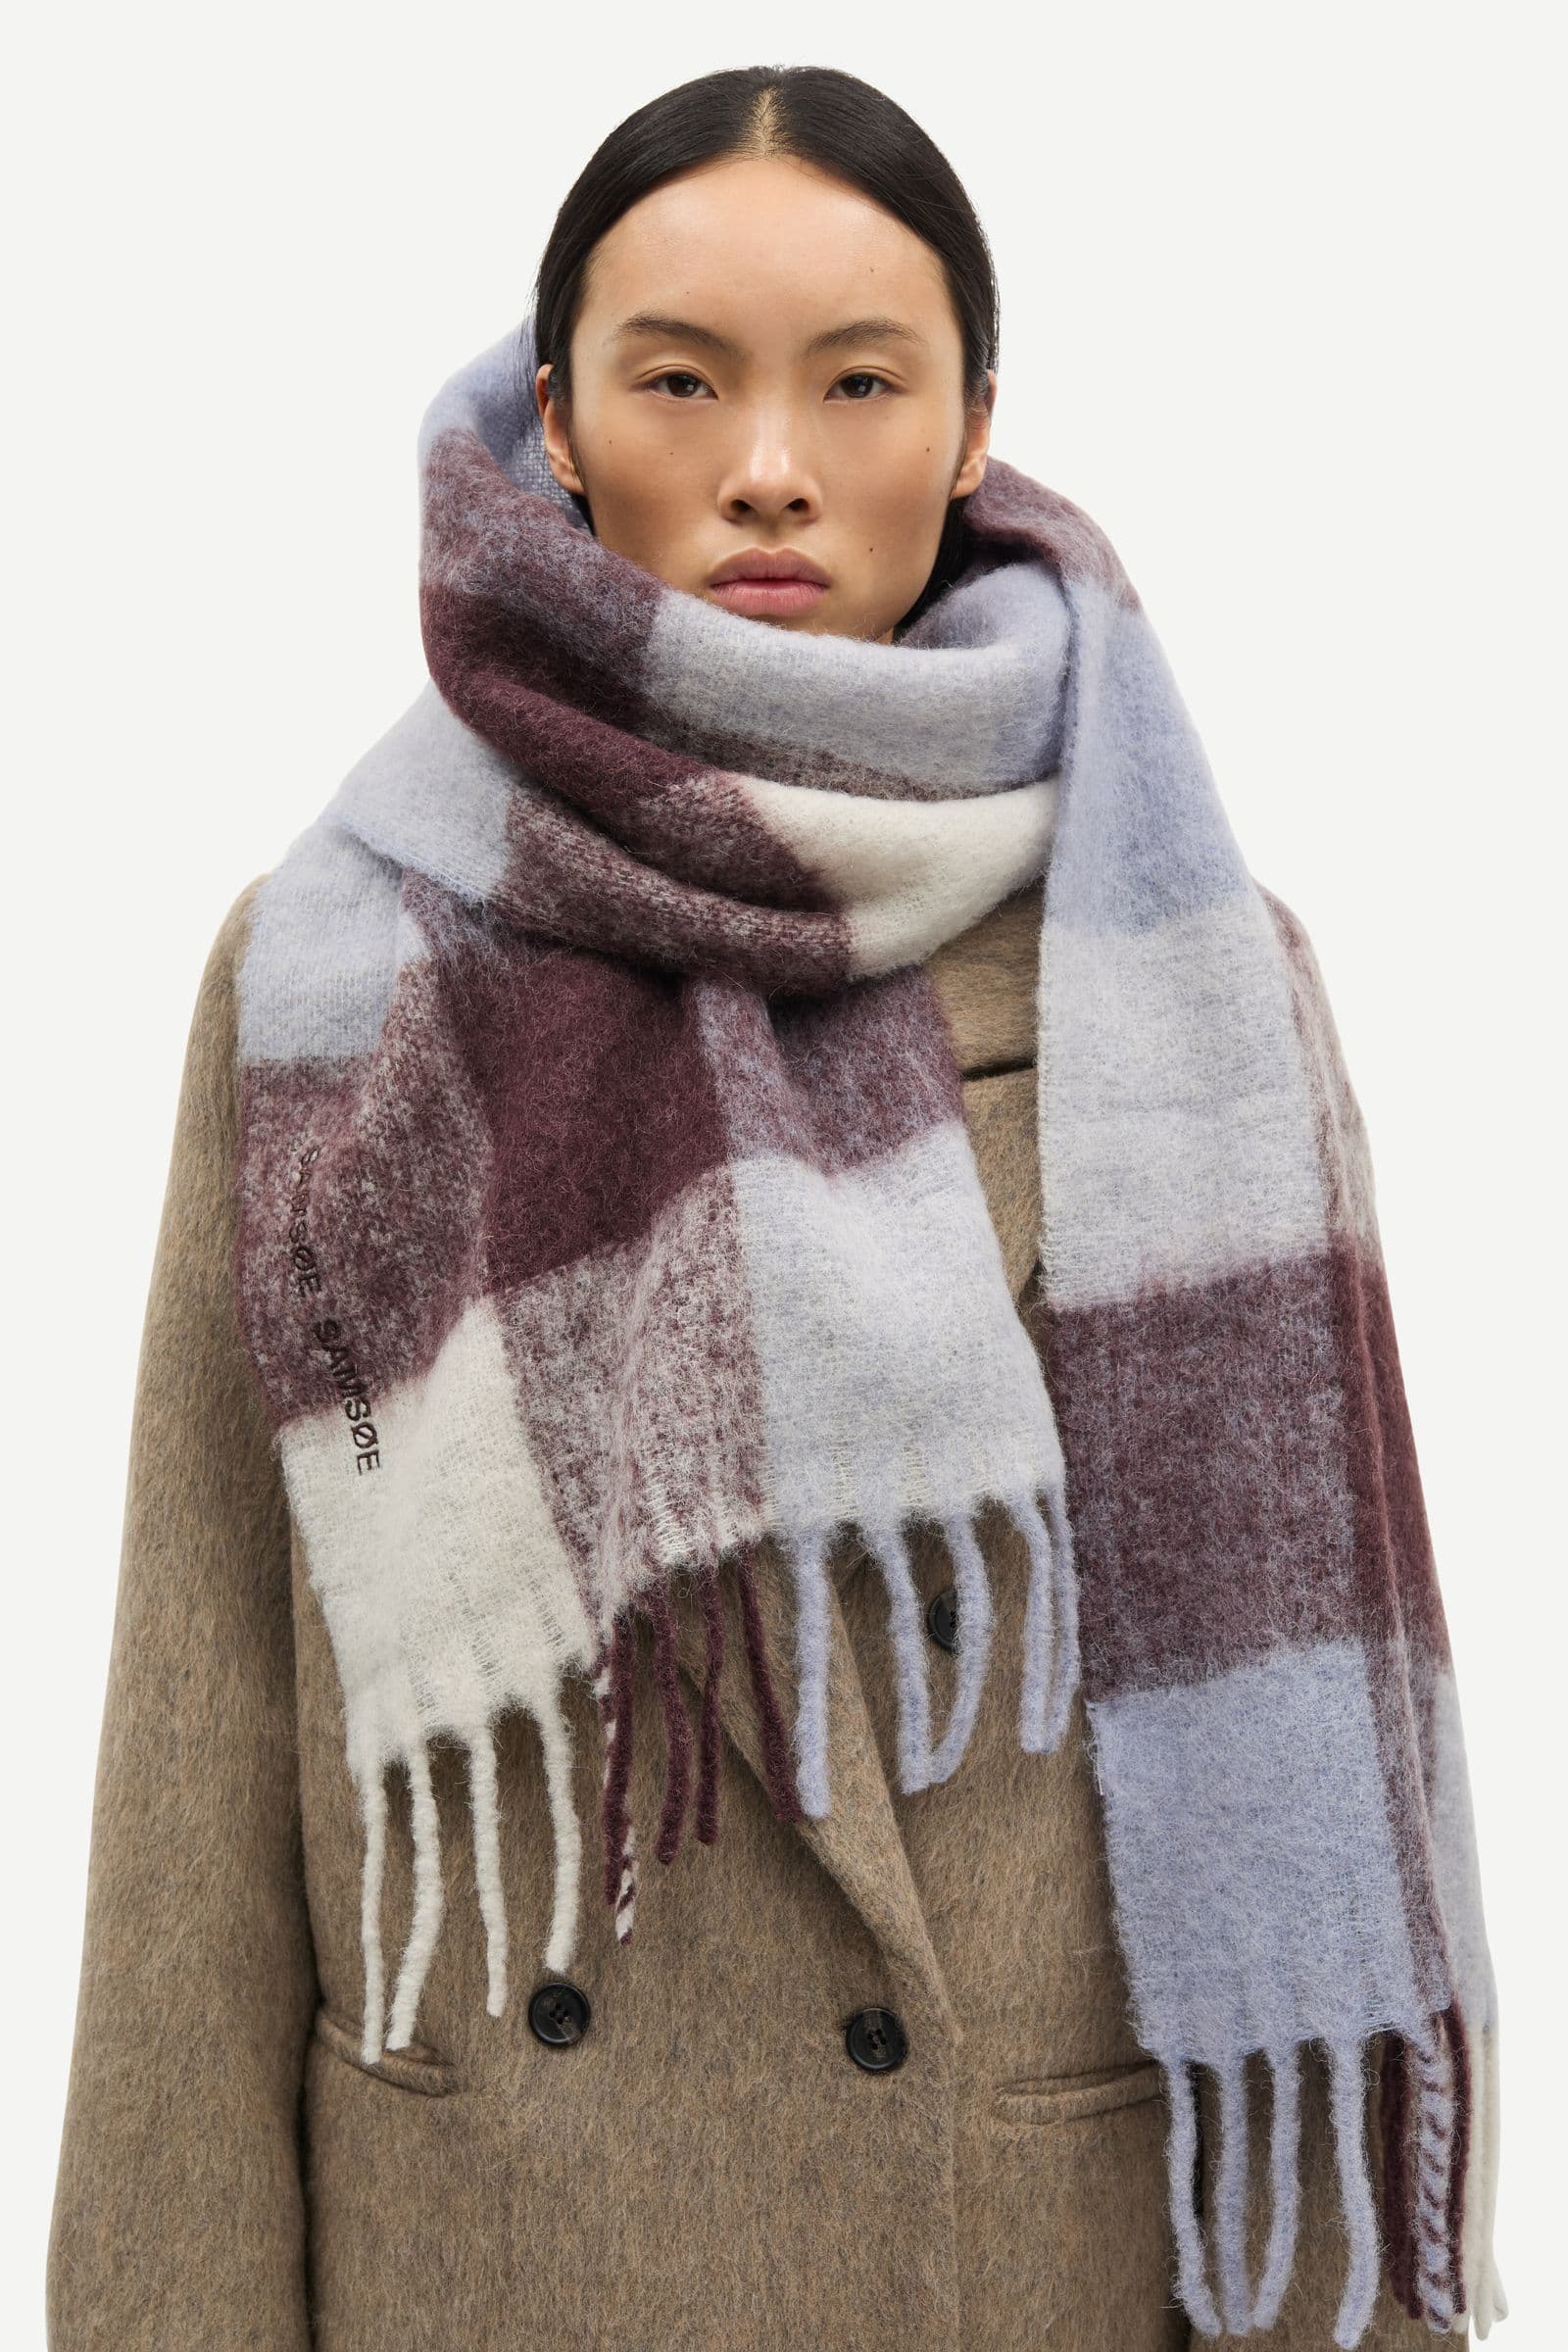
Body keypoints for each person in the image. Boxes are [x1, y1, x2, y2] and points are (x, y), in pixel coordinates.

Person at [46, 63, 1504, 2352]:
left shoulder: (1185, 976)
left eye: (855, 382)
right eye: (677, 380)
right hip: (492, 2248)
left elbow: (1310, 1759)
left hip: (1017, 2253)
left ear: (972, 423)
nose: (765, 465)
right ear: (553, 423)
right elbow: (201, 1729)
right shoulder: (338, 968)